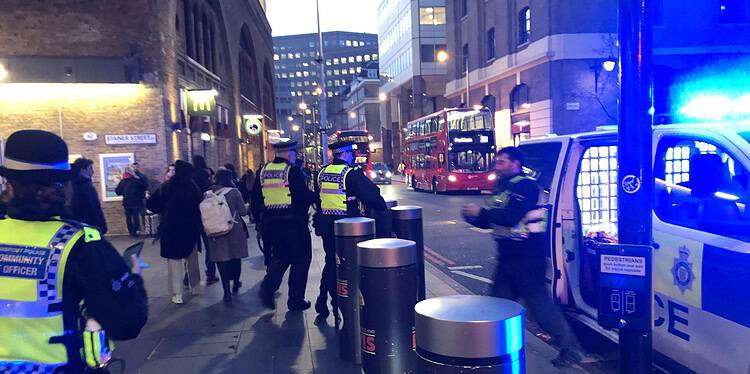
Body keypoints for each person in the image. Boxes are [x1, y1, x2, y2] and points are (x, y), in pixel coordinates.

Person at [0, 130, 147, 372]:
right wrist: (135, 278)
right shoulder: (81, 245)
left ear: (10, 183)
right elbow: (127, 322)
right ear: (62, 185)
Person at [461, 147, 586, 367]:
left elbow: (510, 217)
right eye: (497, 161)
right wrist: (472, 218)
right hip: (508, 257)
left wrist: (479, 213)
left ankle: (571, 349)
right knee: (498, 306)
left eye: (502, 162)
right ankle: (495, 351)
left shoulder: (526, 186)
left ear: (515, 163)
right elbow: (493, 220)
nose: (497, 165)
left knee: (540, 308)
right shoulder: (502, 187)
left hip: (528, 259)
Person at [313, 140, 387, 323]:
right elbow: (371, 195)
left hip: (327, 226)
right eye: (351, 153)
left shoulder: (322, 172)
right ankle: (344, 301)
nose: (354, 157)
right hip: (348, 228)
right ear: (345, 154)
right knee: (347, 265)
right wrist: (382, 208)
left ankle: (323, 300)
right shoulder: (351, 173)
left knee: (331, 262)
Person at [252, 140, 317, 311]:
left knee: (280, 257)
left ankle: (268, 286)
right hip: (293, 225)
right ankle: (295, 300)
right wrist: (316, 196)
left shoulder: (263, 171)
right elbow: (302, 196)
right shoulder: (292, 171)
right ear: (289, 153)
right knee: (301, 260)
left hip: (271, 226)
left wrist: (261, 219)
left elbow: (255, 200)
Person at [147, 160, 204, 304]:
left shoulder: (167, 187)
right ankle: (195, 286)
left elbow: (152, 204)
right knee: (192, 260)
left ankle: (177, 293)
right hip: (190, 228)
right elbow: (199, 206)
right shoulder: (193, 187)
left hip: (171, 227)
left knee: (174, 261)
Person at [207, 168, 249, 303]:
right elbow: (242, 212)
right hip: (234, 229)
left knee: (221, 260)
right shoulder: (234, 192)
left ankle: (226, 291)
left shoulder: (208, 194)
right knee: (235, 257)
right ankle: (236, 282)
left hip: (215, 231)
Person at [192, 155, 219, 284]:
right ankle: (210, 273)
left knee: (192, 247)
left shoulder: (190, 178)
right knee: (209, 245)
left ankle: (189, 276)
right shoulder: (207, 176)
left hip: (193, 215)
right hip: (207, 213)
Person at [69, 157, 108, 233]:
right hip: (90, 226)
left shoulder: (71, 185)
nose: (92, 171)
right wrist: (102, 226)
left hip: (76, 226)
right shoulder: (86, 186)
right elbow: (94, 207)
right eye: (90, 168)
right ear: (83, 170)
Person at [115, 164, 148, 236]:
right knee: (136, 217)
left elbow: (118, 192)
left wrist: (124, 193)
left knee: (128, 218)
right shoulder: (136, 180)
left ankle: (131, 232)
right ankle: (136, 231)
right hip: (136, 201)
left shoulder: (123, 181)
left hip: (127, 202)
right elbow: (144, 186)